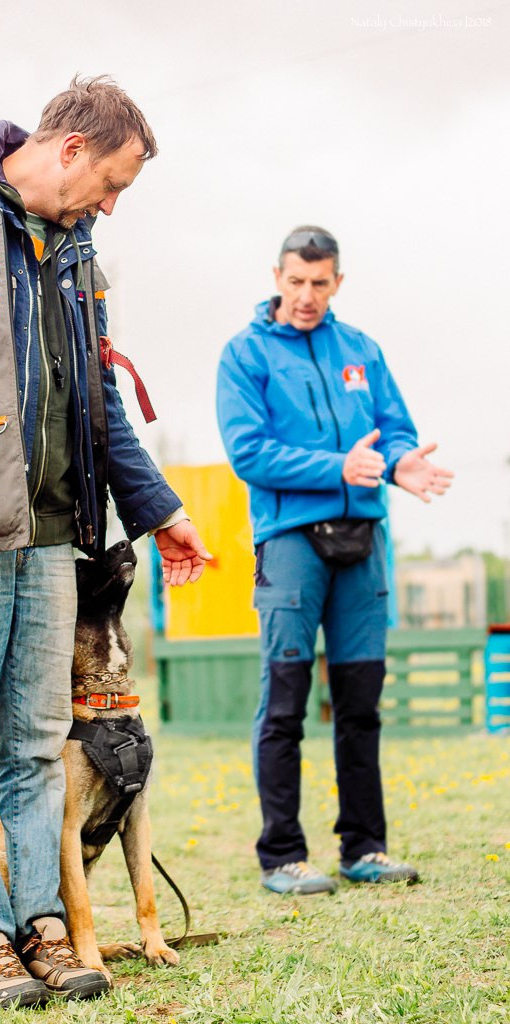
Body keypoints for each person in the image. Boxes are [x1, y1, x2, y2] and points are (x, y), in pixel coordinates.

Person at [0, 76, 210, 1008]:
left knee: (36, 745)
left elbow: (99, 399)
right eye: (111, 184)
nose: (110, 205)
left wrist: (158, 509)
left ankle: (41, 929)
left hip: (57, 535)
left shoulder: (75, 251)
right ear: (69, 149)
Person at [216, 226, 453, 897]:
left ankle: (364, 848)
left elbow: (394, 429)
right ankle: (282, 856)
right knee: (285, 702)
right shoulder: (245, 354)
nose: (306, 295)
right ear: (277, 277)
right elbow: (248, 452)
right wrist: (335, 467)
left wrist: (400, 462)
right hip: (290, 540)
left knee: (361, 702)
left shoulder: (361, 350)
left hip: (364, 539)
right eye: (295, 281)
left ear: (337, 283)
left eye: (319, 283)